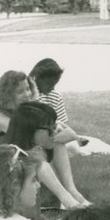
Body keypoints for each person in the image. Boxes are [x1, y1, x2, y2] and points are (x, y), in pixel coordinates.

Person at [5, 101, 90, 210]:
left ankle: (71, 192)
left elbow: (65, 134)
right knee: (36, 158)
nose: (55, 132)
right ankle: (68, 199)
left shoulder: (36, 148)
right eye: (50, 129)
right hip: (20, 210)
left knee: (57, 142)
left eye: (55, 126)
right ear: (30, 130)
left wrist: (73, 136)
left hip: (40, 203)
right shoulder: (14, 158)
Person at [29, 57, 88, 207]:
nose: (51, 88)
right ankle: (67, 194)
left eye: (55, 84)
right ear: (37, 78)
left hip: (49, 136)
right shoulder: (27, 93)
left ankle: (71, 190)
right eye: (49, 83)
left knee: (62, 141)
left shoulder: (54, 96)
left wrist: (66, 133)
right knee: (55, 140)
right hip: (30, 138)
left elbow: (60, 123)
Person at [0, 69, 36, 157]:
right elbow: (30, 137)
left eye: (28, 89)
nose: (27, 94)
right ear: (7, 96)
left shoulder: (23, 111)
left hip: (13, 159)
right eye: (20, 92)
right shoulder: (0, 118)